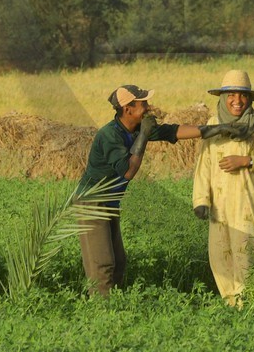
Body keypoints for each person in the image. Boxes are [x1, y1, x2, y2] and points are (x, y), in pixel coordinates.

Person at [78, 84, 245, 295]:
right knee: (102, 264)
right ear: (128, 109)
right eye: (143, 104)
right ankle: (100, 309)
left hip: (110, 202)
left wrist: (217, 129)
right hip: (91, 203)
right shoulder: (109, 135)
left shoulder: (136, 127)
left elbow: (172, 131)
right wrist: (144, 135)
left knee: (118, 262)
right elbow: (128, 171)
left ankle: (114, 304)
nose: (148, 107)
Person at [191, 69, 254, 303]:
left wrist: (248, 161)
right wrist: (201, 200)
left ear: (250, 99)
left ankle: (248, 304)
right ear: (223, 97)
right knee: (220, 255)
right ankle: (231, 304)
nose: (238, 101)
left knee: (247, 254)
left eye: (243, 95)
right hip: (220, 207)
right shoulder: (213, 125)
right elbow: (204, 165)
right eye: (232, 95)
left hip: (248, 205)